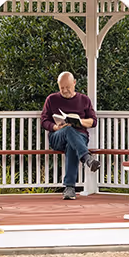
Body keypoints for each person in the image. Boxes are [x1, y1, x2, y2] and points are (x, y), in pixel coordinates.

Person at [40, 71, 100, 200]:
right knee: (68, 130)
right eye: (62, 88)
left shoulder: (84, 100)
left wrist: (80, 122)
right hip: (57, 136)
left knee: (72, 143)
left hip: (79, 137)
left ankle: (69, 188)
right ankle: (87, 159)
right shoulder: (52, 99)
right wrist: (55, 127)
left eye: (67, 87)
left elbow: (93, 121)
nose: (65, 90)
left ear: (74, 83)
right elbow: (44, 121)